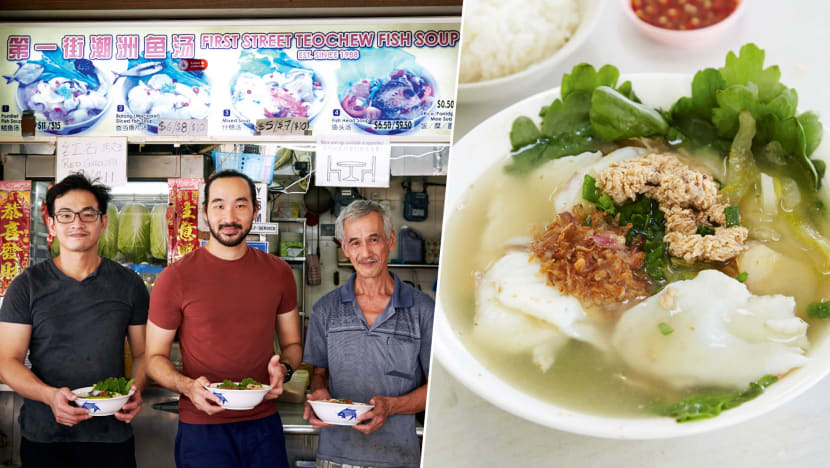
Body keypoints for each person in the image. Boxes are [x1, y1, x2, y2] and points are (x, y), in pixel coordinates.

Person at [145, 169, 302, 468]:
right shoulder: (175, 278)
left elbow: (293, 343)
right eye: (218, 205)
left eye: (240, 205)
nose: (229, 216)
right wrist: (187, 387)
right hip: (202, 427)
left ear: (256, 211)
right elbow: (153, 358)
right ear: (204, 213)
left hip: (263, 424)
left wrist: (284, 368)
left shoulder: (279, 273)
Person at [0, 173, 148, 468]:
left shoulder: (129, 285)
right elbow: (6, 361)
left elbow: (144, 353)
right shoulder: (27, 285)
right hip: (45, 435)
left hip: (111, 435)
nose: (77, 224)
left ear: (103, 222)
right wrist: (50, 396)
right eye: (66, 215)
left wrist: (136, 389)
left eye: (87, 214)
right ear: (52, 224)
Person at [303, 200, 434, 468]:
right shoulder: (325, 309)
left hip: (398, 458)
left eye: (374, 239)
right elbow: (319, 374)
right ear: (345, 249)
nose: (366, 252)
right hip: (334, 457)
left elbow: (438, 389)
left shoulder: (423, 309)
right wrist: (318, 395)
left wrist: (391, 407)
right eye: (355, 242)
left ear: (391, 240)